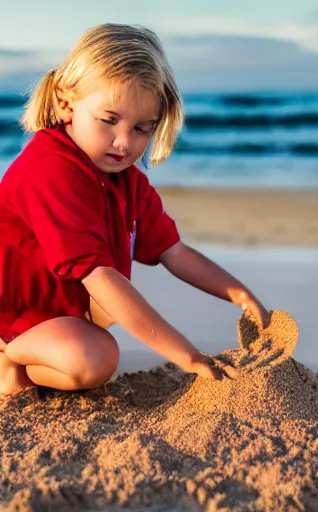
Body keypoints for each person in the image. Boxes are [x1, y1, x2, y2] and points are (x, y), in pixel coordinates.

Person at [0, 23, 270, 397]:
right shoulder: (48, 169)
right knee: (94, 359)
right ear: (66, 102)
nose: (124, 143)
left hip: (56, 314)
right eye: (109, 120)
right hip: (13, 311)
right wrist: (187, 355)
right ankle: (8, 355)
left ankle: (25, 356)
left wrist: (239, 294)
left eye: (142, 128)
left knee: (98, 341)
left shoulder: (125, 178)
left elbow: (172, 251)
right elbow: (98, 277)